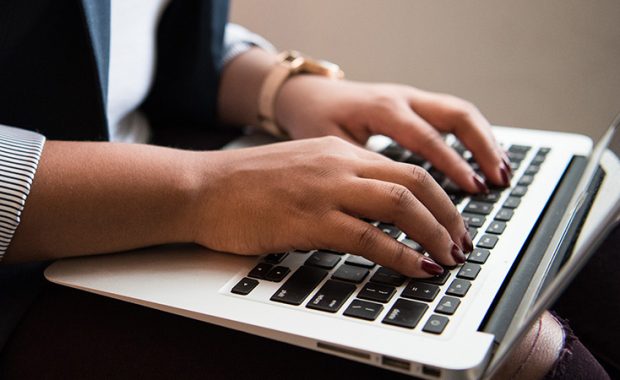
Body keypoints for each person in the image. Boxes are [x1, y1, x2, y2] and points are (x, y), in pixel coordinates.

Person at [0, 0, 614, 378]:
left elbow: (134, 40)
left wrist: (283, 89)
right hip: (32, 270)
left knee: (590, 253)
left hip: (181, 165)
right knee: (519, 353)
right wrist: (202, 190)